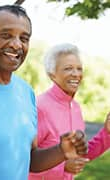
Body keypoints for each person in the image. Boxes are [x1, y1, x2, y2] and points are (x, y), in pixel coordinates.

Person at [0, 5, 88, 180]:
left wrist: (61, 151)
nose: (16, 44)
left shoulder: (26, 92)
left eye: (24, 38)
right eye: (6, 35)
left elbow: (29, 160)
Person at [29, 43, 110, 180]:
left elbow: (81, 154)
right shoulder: (40, 107)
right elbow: (26, 161)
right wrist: (63, 167)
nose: (76, 74)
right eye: (68, 68)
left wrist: (107, 133)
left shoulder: (76, 108)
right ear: (52, 74)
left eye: (79, 69)